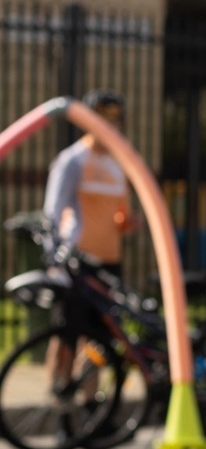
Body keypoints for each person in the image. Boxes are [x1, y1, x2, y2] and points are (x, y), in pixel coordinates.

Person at [42, 90, 137, 398]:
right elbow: (53, 213)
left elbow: (120, 215)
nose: (109, 126)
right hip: (77, 259)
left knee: (99, 338)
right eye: (102, 118)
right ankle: (59, 402)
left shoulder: (119, 163)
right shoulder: (73, 160)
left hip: (108, 261)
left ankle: (90, 407)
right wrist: (54, 260)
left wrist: (126, 224)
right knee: (68, 333)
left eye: (115, 120)